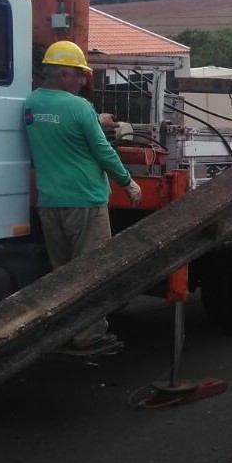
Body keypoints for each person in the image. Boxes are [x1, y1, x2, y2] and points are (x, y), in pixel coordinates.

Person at [24, 40, 142, 350]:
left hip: (50, 202)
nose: (83, 81)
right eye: (79, 75)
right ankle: (88, 334)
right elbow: (103, 152)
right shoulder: (79, 108)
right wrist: (128, 182)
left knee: (62, 273)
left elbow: (56, 130)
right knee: (91, 272)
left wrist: (93, 121)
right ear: (64, 74)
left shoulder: (31, 105)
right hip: (85, 201)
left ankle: (64, 331)